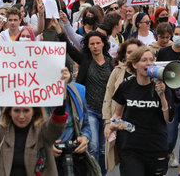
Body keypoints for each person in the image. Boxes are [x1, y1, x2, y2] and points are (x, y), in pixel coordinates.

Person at [0, 70, 70, 176]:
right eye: (17, 111)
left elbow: (58, 120)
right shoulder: (0, 132)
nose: (21, 116)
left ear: (34, 112)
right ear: (9, 112)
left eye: (26, 111)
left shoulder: (43, 132)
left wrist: (62, 87)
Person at [104, 46, 173, 176]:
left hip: (156, 146)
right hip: (131, 148)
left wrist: (162, 95)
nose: (149, 63)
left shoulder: (162, 86)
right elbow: (117, 114)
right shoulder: (126, 86)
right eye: (144, 60)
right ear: (135, 64)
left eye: (151, 60)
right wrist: (112, 124)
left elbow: (168, 119)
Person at [67, 31, 113, 175]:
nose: (95, 46)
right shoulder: (86, 61)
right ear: (88, 46)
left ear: (103, 44)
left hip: (107, 112)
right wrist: (60, 27)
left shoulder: (110, 62)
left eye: (98, 43)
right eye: (91, 44)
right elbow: (70, 48)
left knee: (103, 149)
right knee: (92, 146)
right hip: (90, 109)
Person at [156, 25, 180, 175]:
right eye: (177, 34)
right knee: (170, 136)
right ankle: (164, 160)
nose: (179, 36)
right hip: (169, 98)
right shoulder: (163, 53)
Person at [102, 39, 142, 171]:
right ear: (124, 55)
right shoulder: (118, 71)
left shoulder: (147, 71)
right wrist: (108, 122)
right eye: (129, 52)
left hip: (142, 124)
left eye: (135, 51)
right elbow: (108, 96)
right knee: (126, 160)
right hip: (121, 123)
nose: (132, 55)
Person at [52, 67, 92, 176]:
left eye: (63, 73)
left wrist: (85, 138)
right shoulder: (35, 99)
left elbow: (86, 125)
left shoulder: (77, 93)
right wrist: (45, 145)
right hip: (44, 161)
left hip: (71, 157)